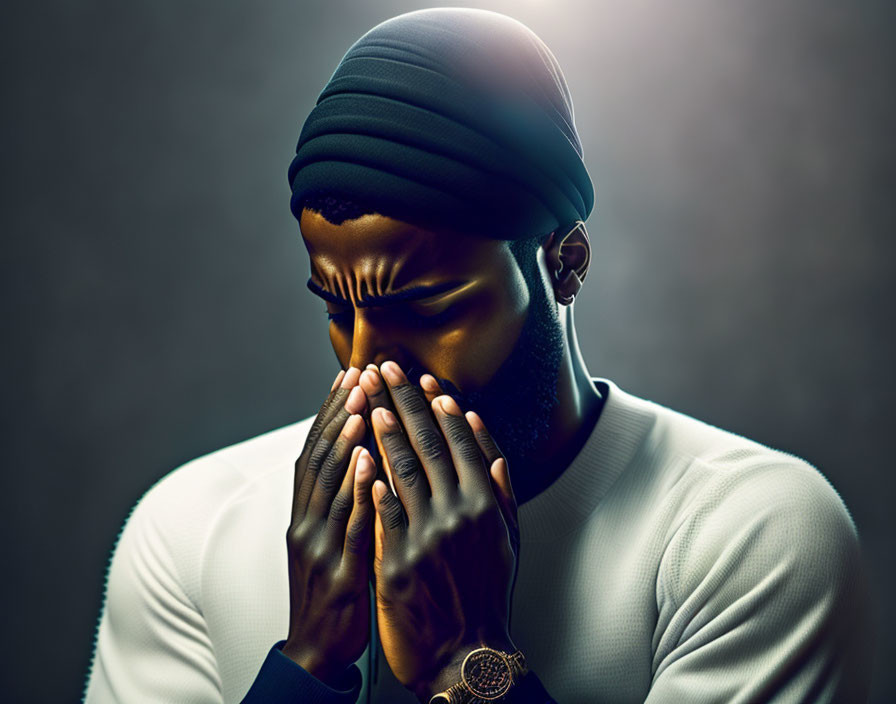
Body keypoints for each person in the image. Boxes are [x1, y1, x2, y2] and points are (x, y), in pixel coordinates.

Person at [83, 8, 872, 703]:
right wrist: (309, 665)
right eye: (338, 310)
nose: (364, 371)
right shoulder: (191, 527)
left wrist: (470, 664)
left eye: (425, 310)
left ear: (565, 263)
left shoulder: (749, 537)